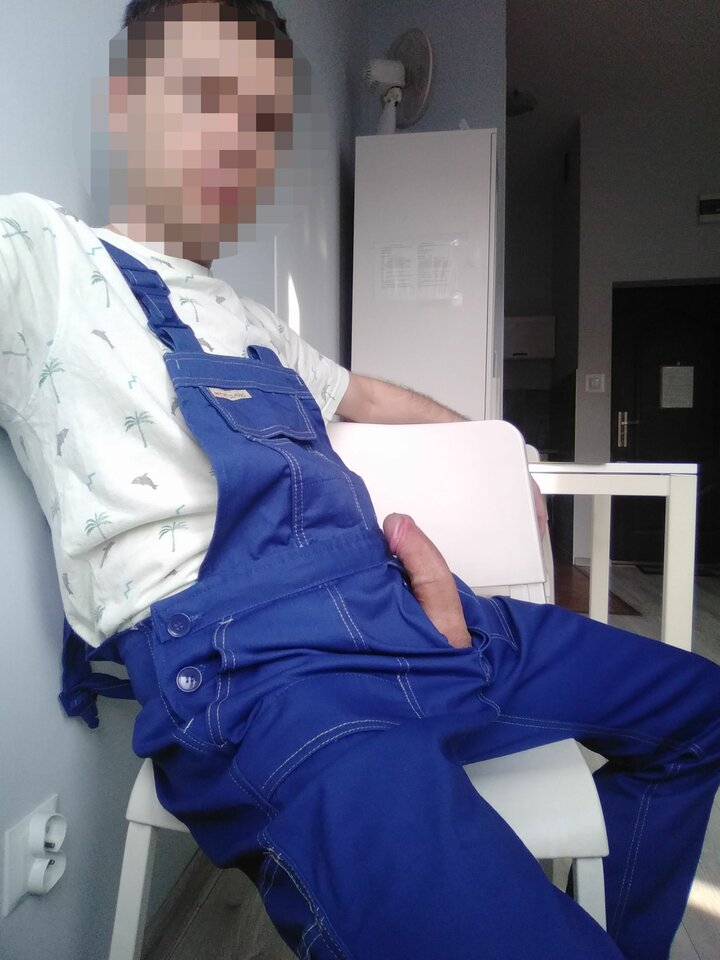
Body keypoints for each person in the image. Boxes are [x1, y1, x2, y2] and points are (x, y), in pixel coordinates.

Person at [0, 3, 718, 958]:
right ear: (124, 104)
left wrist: (503, 453)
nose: (239, 141)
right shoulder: (43, 260)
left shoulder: (257, 324)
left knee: (698, 713)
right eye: (205, 96)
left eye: (264, 122)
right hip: (264, 682)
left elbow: (370, 394)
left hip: (406, 611)